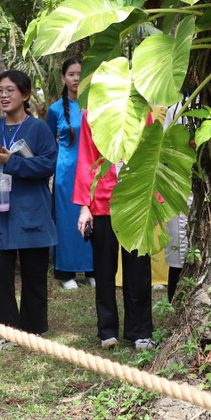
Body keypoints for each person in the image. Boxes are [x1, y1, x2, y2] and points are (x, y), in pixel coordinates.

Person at [0, 70, 58, 345]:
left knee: (35, 274)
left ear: (25, 95)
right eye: (0, 91)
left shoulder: (39, 129)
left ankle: (32, 330)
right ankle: (5, 330)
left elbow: (48, 164)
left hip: (31, 210)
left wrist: (14, 162)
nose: (3, 95)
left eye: (10, 90)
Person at [74, 110, 153, 349]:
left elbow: (151, 152)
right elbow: (86, 159)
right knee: (104, 270)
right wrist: (84, 207)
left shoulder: (142, 111)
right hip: (101, 202)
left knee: (138, 269)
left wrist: (153, 198)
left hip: (135, 199)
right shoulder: (92, 112)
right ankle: (107, 331)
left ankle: (140, 331)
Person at [45, 58, 92, 289]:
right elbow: (47, 143)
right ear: (63, 78)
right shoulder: (55, 110)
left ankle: (91, 269)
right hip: (66, 171)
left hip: (92, 168)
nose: (76, 79)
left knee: (94, 216)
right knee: (66, 219)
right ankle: (66, 272)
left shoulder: (94, 105)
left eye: (80, 74)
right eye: (71, 74)